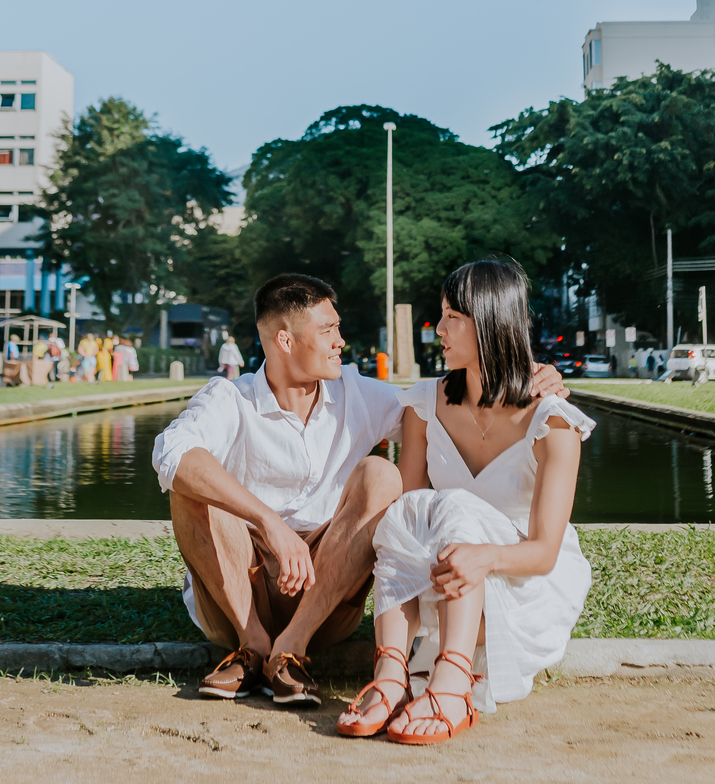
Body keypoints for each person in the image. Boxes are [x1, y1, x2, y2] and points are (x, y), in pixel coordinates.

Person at [152, 271, 569, 712]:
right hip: (236, 595)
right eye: (327, 330)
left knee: (381, 476)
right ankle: (252, 645)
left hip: (323, 596)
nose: (341, 342)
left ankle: (290, 649)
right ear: (285, 341)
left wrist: (531, 376)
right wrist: (269, 523)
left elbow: (439, 410)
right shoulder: (228, 397)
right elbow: (171, 455)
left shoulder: (358, 393)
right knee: (191, 483)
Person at [337, 258, 592, 744]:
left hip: (518, 588)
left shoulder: (553, 422)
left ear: (492, 322)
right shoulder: (425, 404)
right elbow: (407, 524)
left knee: (452, 505)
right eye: (441, 314)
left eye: (453, 316)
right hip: (440, 583)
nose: (439, 329)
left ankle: (452, 684)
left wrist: (485, 557)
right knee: (408, 510)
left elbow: (542, 553)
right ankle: (390, 675)